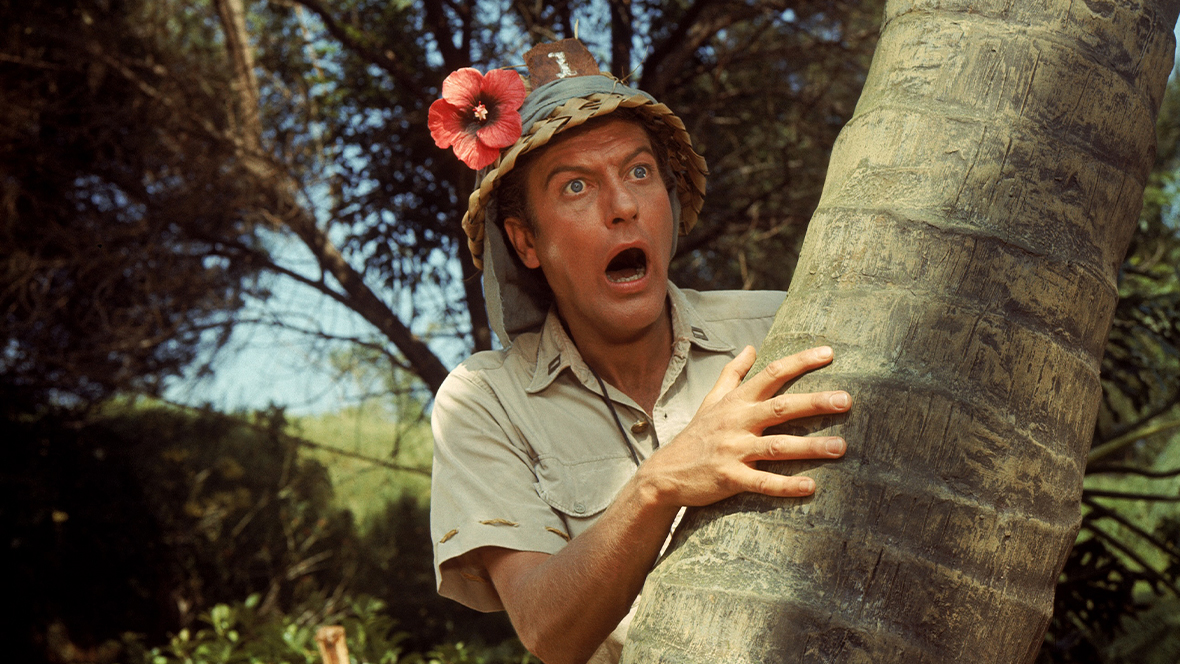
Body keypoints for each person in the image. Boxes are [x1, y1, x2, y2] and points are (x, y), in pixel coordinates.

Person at [428, 39, 851, 664]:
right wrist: (659, 485)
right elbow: (549, 631)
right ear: (525, 243)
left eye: (639, 171)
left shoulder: (782, 325)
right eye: (575, 186)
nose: (623, 206)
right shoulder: (483, 403)